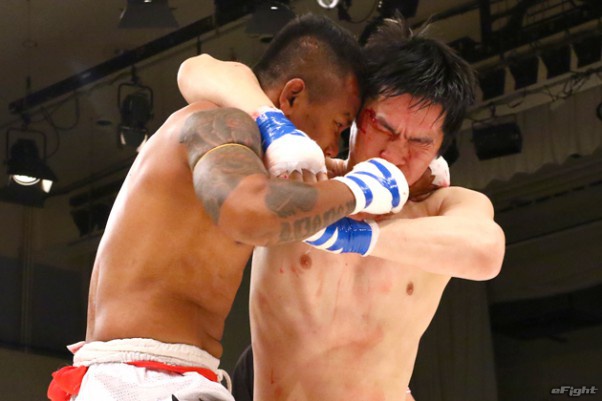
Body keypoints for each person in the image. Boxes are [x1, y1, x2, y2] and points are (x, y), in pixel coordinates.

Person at [46, 15, 410, 401]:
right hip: (143, 380)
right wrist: (359, 189)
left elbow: (313, 178)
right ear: (292, 97)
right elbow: (250, 215)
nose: (333, 146)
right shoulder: (218, 124)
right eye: (338, 125)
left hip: (155, 375)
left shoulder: (245, 147)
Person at [176, 15, 506, 401]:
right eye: (384, 127)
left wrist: (356, 237)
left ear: (439, 148)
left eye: (419, 142)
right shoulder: (300, 175)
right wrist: (273, 126)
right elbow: (197, 70)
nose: (395, 152)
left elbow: (487, 251)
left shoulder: (440, 207)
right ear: (357, 117)